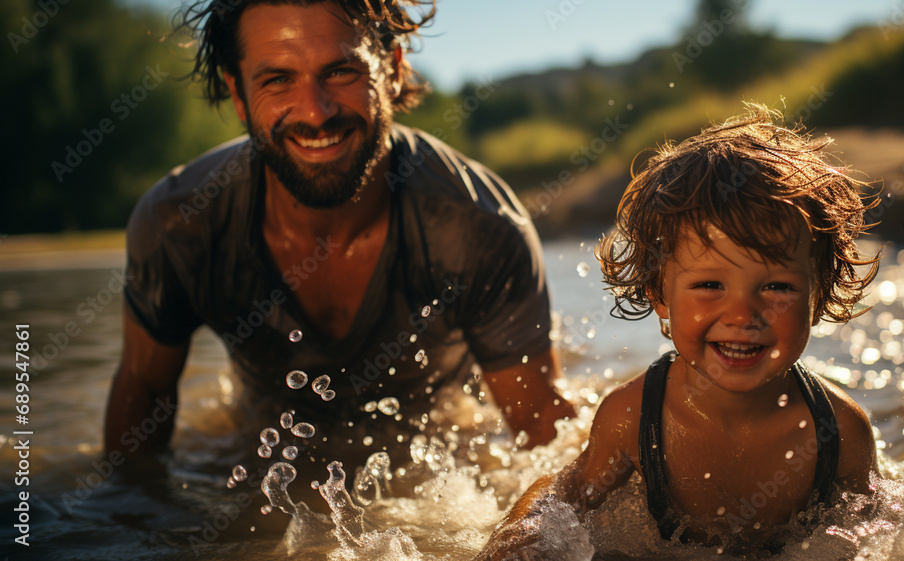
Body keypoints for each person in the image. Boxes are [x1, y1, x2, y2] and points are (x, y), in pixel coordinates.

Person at [103, 0, 574, 474]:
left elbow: (547, 448)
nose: (316, 111)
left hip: (441, 444)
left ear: (391, 71)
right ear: (239, 94)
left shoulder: (478, 229)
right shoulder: (181, 225)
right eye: (278, 80)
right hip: (256, 439)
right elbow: (142, 404)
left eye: (341, 72)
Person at [477, 104, 881, 558]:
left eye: (776, 286)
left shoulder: (838, 430)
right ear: (660, 294)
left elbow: (882, 531)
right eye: (710, 285)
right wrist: (519, 541)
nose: (743, 314)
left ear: (818, 296)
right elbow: (558, 500)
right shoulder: (631, 418)